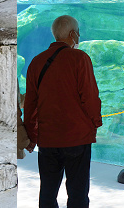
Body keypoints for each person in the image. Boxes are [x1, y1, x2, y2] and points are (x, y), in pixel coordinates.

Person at [23, 15, 103, 208]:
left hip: (48, 139)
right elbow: (90, 97)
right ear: (73, 34)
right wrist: (95, 123)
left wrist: (32, 135)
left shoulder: (36, 62)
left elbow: (30, 104)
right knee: (78, 193)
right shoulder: (80, 58)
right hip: (77, 137)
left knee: (48, 193)